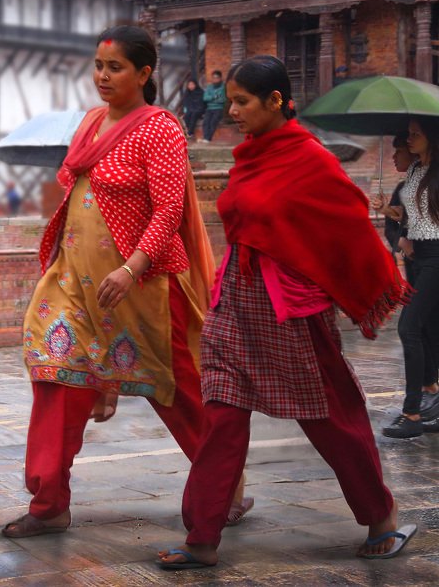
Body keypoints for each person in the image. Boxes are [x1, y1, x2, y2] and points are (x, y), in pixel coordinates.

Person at [158, 55, 416, 570]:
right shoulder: (250, 156)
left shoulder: (310, 159)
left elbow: (346, 220)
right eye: (230, 100)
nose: (232, 111)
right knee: (222, 416)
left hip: (289, 308)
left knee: (331, 417)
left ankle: (380, 518)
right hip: (236, 303)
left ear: (276, 101)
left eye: (242, 101)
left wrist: (360, 285)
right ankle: (202, 538)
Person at [2, 25, 250, 539]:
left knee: (177, 388)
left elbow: (167, 211)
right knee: (54, 376)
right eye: (98, 66)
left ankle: (222, 489)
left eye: (114, 68)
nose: (103, 77)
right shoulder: (91, 122)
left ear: (144, 73)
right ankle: (49, 502)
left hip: (143, 285)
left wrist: (131, 266)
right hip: (73, 282)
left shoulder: (160, 128)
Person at [381, 117, 439, 438]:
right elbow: (412, 215)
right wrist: (396, 220)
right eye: (410, 134)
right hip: (421, 257)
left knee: (409, 327)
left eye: (416, 134)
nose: (410, 138)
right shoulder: (416, 171)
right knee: (428, 328)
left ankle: (412, 413)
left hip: (437, 256)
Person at [370, 134, 415, 278]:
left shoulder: (430, 185)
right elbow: (390, 228)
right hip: (412, 261)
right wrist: (402, 242)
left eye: (399, 152)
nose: (394, 157)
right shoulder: (402, 188)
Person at [201, 70, 226, 143]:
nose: (215, 79)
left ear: (220, 78)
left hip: (218, 108)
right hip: (209, 108)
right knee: (205, 122)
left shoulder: (223, 88)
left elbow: (222, 99)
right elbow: (205, 98)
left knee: (213, 122)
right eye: (213, 78)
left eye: (217, 77)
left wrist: (212, 98)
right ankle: (205, 138)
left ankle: (208, 138)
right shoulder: (209, 87)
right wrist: (214, 97)